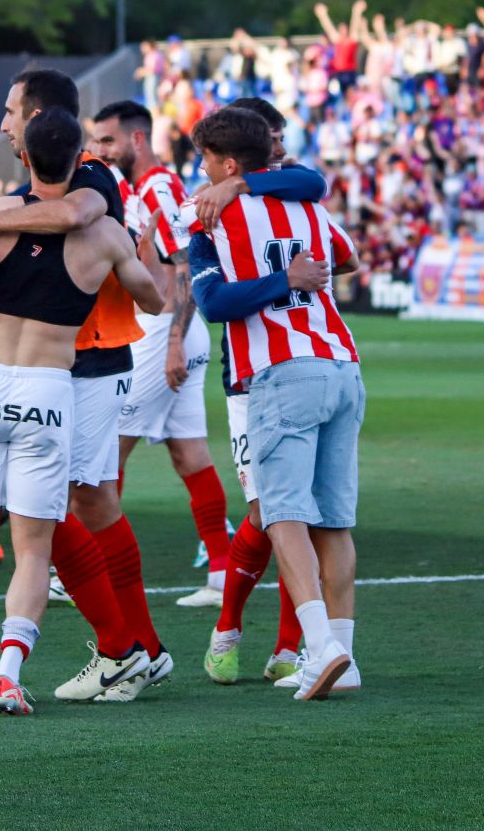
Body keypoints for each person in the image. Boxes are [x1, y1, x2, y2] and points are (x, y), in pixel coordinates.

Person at [0, 107, 165, 713]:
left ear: (24, 158)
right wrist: (135, 253)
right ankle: (10, 671)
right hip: (47, 390)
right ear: (81, 159)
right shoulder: (107, 233)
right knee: (35, 549)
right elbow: (155, 300)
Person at [188, 106, 364, 701]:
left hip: (280, 371)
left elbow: (212, 303)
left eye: (207, 161)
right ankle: (346, 653)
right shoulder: (310, 204)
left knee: (283, 515)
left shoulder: (210, 213)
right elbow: (322, 199)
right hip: (342, 365)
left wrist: (280, 281)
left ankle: (318, 649)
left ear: (229, 163)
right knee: (335, 522)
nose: (201, 172)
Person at [197, 97, 322, 686]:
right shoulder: (204, 210)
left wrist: (246, 185)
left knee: (297, 510)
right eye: (273, 137)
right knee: (268, 510)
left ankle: (289, 647)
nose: (282, 147)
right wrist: (285, 280)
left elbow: (315, 181)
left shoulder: (289, 193)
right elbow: (214, 302)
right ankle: (228, 627)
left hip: (305, 362)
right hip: (248, 378)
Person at [89, 100, 232, 607]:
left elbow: (183, 263)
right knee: (189, 452)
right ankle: (221, 573)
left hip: (163, 331)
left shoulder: (157, 187)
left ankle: (91, 567)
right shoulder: (141, 187)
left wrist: (172, 341)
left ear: (138, 139)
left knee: (110, 449)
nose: (100, 150)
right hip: (175, 331)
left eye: (108, 140)